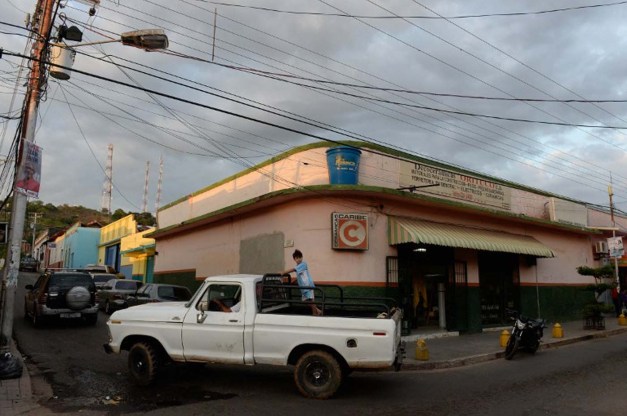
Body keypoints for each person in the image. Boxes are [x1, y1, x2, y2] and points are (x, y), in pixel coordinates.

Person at [283, 249, 323, 316]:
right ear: (294, 259)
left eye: (300, 257)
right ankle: (318, 311)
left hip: (308, 285)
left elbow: (293, 269)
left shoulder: (303, 264)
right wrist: (294, 280)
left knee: (311, 301)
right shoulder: (298, 267)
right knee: (305, 301)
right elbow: (300, 276)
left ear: (302, 257)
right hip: (304, 287)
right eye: (297, 258)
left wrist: (283, 272)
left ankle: (315, 314)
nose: (299, 259)